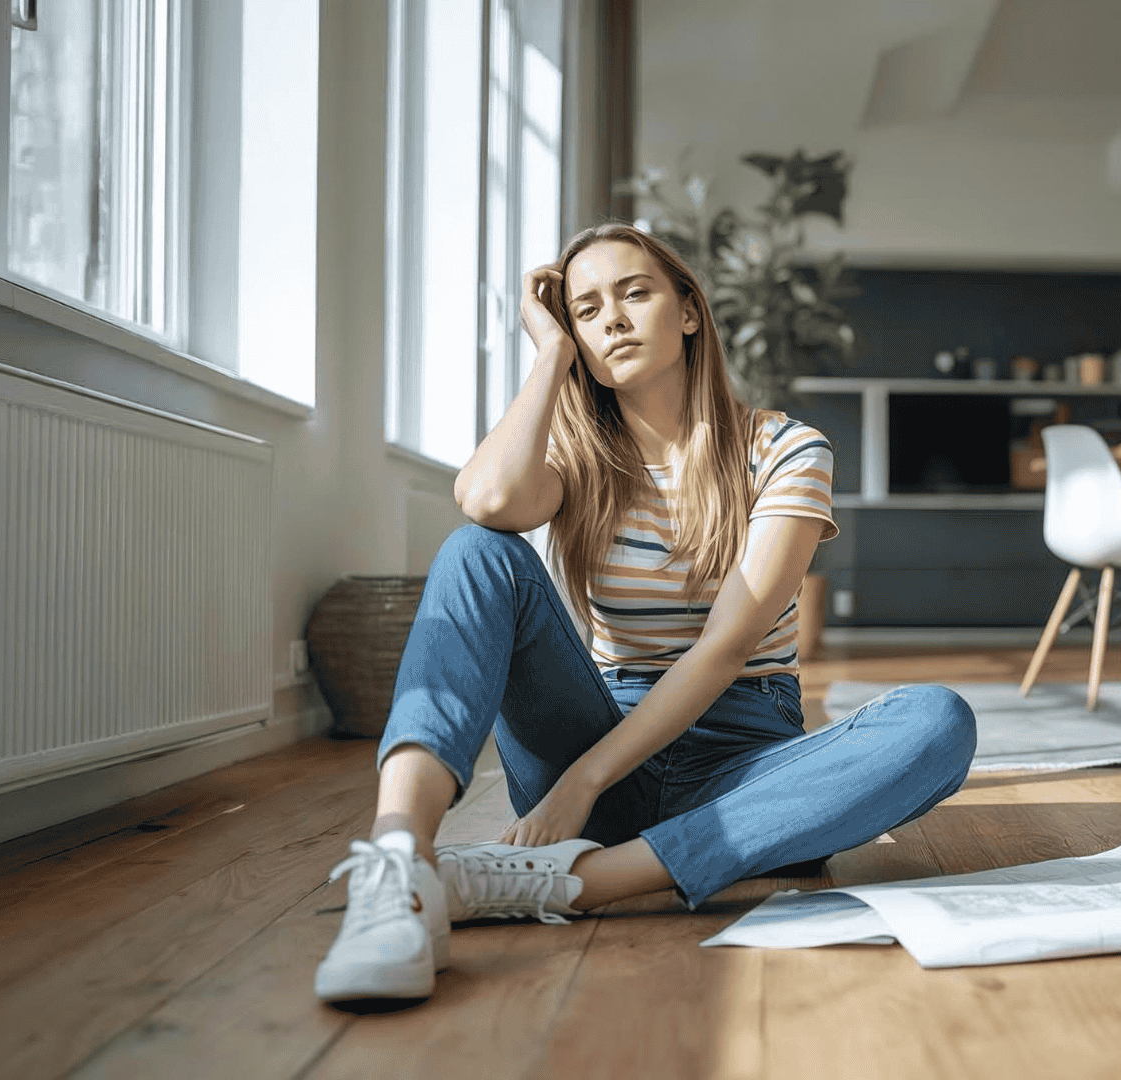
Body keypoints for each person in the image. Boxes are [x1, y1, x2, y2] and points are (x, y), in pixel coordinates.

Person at [314, 222, 977, 1004]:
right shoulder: (576, 459)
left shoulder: (786, 449)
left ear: (689, 310)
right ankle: (400, 866)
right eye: (587, 311)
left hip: (734, 759)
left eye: (635, 293)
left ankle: (567, 883)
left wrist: (580, 786)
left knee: (937, 721)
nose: (613, 321)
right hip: (598, 733)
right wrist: (549, 359)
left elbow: (727, 648)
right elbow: (488, 500)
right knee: (476, 550)